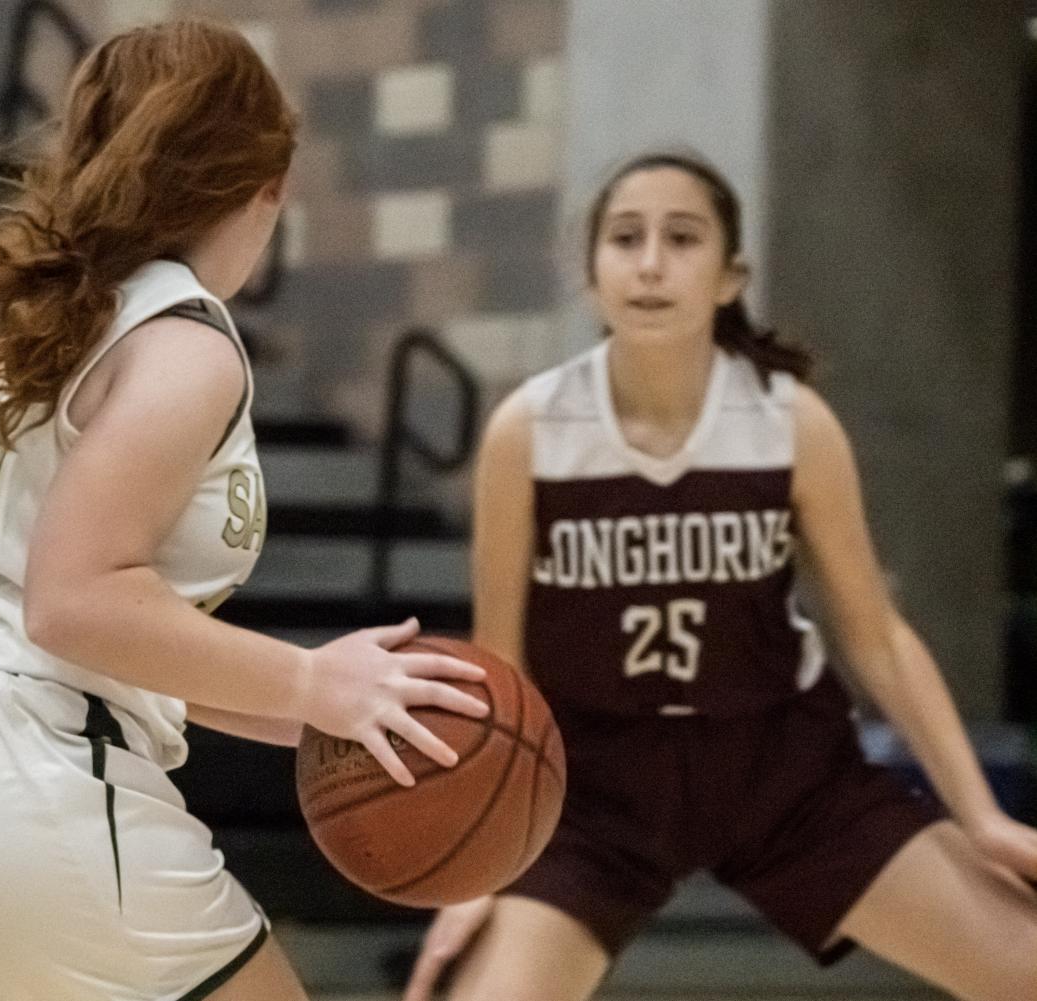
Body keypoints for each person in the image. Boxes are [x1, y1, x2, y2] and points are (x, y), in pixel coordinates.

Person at [0, 20, 489, 1001]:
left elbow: (111, 631)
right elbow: (75, 606)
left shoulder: (70, 313)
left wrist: (324, 713)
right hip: (19, 769)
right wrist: (307, 678)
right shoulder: (184, 341)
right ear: (270, 188)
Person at [403, 151, 1037, 1001]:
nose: (651, 261)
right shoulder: (529, 430)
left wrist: (981, 814)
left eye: (682, 237)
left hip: (782, 772)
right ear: (590, 274)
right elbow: (502, 665)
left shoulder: (789, 422)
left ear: (730, 275)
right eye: (625, 238)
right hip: (592, 793)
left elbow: (877, 636)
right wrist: (478, 868)